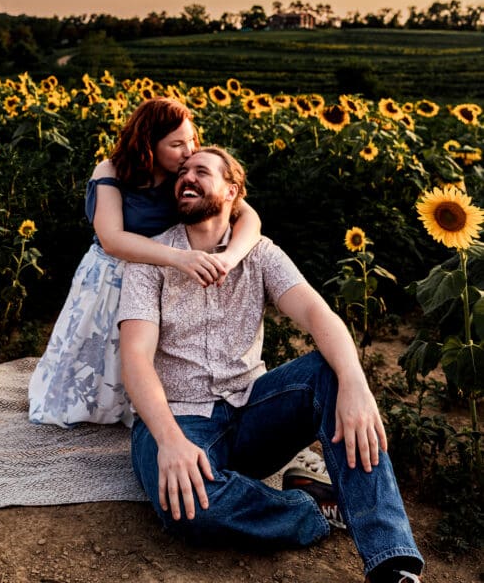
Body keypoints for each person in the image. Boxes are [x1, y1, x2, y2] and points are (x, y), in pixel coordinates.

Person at [119, 147, 424, 583]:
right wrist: (168, 440)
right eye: (182, 172)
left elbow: (319, 316)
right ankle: (311, 508)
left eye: (200, 172)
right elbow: (135, 360)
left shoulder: (259, 253)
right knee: (188, 507)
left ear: (232, 191)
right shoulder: (151, 260)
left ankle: (393, 563)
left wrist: (355, 382)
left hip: (251, 410)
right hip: (178, 418)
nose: (186, 178)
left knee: (330, 374)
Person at [28, 98, 262, 427]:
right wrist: (180, 257)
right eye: (177, 144)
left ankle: (149, 411)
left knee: (154, 352)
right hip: (112, 276)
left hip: (161, 279)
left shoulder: (185, 176)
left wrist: (228, 258)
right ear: (148, 145)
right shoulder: (111, 171)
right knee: (101, 354)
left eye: (192, 138)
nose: (189, 150)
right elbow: (112, 238)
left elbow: (248, 215)